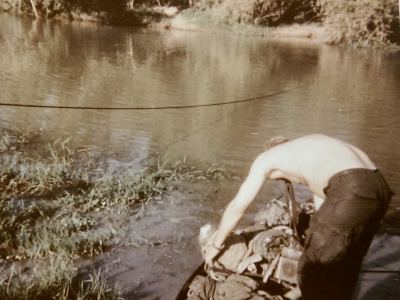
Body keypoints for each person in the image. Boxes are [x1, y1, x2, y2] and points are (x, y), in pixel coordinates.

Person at [203, 134, 392, 300]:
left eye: (279, 178)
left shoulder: (267, 158)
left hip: (349, 187)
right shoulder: (313, 150)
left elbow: (238, 206)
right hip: (379, 188)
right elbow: (324, 210)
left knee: (312, 271)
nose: (286, 181)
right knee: (346, 266)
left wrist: (215, 244)